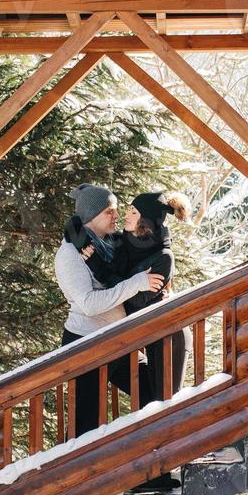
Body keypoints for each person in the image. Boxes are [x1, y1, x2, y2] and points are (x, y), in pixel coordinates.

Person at [55, 184, 166, 440]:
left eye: (116, 210)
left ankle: (150, 468)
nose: (116, 215)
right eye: (109, 211)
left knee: (151, 393)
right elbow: (89, 304)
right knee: (85, 424)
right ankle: (78, 477)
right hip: (86, 343)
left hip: (117, 339)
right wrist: (138, 282)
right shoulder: (70, 255)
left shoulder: (108, 245)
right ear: (91, 216)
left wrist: (157, 291)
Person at [113, 191, 192, 493]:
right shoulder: (124, 246)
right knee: (148, 402)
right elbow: (114, 279)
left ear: (144, 221)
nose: (126, 216)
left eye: (132, 213)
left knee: (160, 405)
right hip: (148, 338)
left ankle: (156, 475)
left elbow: (137, 301)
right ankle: (151, 474)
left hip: (169, 337)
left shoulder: (163, 256)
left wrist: (129, 284)